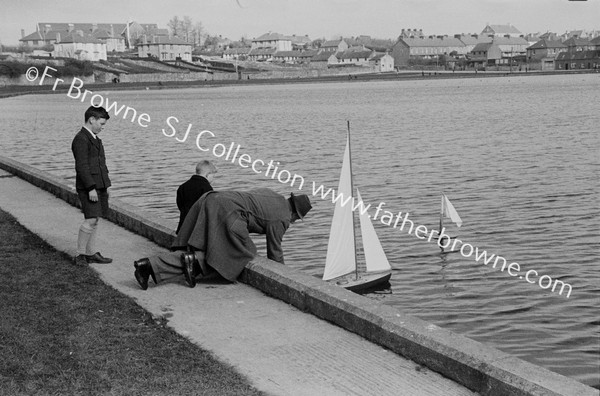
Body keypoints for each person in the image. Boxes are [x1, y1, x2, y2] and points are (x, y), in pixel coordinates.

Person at [133, 188, 312, 290]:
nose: (294, 221)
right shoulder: (282, 218)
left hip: (212, 198)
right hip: (229, 212)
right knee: (244, 253)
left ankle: (148, 265)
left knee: (212, 251)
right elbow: (275, 252)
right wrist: (286, 279)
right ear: (295, 213)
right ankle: (193, 261)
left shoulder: (274, 196)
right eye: (297, 219)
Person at [71, 106, 113, 266]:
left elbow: (102, 164)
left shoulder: (94, 139)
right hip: (90, 187)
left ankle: (90, 253)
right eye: (101, 124)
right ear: (91, 120)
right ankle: (80, 254)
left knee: (95, 219)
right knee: (90, 219)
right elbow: (82, 166)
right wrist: (90, 188)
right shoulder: (81, 139)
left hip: (99, 186)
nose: (103, 127)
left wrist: (107, 185)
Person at [176, 160, 216, 233]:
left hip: (183, 227)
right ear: (207, 174)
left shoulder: (183, 187)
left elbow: (180, 206)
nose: (213, 179)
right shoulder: (206, 188)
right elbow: (209, 209)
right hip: (198, 229)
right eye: (213, 176)